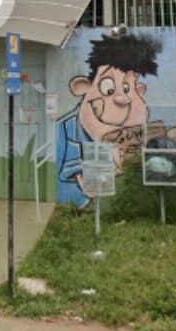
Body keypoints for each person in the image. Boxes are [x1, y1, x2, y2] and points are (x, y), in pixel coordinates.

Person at [56, 33, 161, 208]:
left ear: (139, 90)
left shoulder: (133, 133)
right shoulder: (65, 131)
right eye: (108, 88)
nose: (122, 99)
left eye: (127, 88)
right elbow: (69, 174)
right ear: (81, 87)